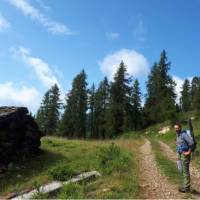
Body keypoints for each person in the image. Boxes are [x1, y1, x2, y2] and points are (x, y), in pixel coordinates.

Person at [175, 123, 193, 193]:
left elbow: (191, 143)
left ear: (180, 128)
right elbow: (179, 145)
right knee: (181, 170)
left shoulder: (184, 135)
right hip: (180, 154)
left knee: (185, 171)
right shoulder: (178, 135)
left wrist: (189, 152)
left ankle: (187, 188)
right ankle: (185, 185)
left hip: (185, 155)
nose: (176, 129)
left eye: (177, 128)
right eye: (175, 128)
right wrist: (178, 155)